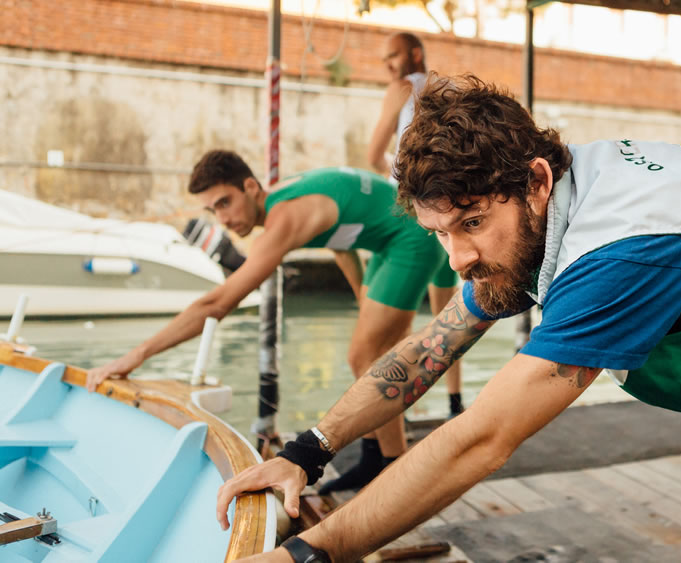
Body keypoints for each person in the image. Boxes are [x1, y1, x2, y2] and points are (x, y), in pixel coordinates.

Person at [218, 76, 681, 563]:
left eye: (471, 224)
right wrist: (309, 450)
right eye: (441, 233)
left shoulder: (619, 253)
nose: (458, 258)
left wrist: (309, 553)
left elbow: (482, 439)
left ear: (535, 181)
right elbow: (432, 343)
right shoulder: (536, 219)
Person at [86, 150, 458, 492]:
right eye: (212, 211)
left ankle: (394, 475)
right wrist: (363, 294)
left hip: (410, 234)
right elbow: (341, 238)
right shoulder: (289, 202)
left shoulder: (283, 221)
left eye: (225, 203)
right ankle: (373, 459)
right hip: (387, 235)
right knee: (370, 353)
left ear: (250, 187)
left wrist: (137, 355)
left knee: (366, 357)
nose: (224, 219)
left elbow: (216, 304)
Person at [364, 31, 465, 418]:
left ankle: (396, 410)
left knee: (397, 322)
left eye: (393, 56)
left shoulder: (402, 88)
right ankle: (455, 405)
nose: (388, 66)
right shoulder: (449, 87)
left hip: (411, 214)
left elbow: (374, 155)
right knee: (450, 320)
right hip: (448, 212)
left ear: (415, 54)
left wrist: (402, 177)